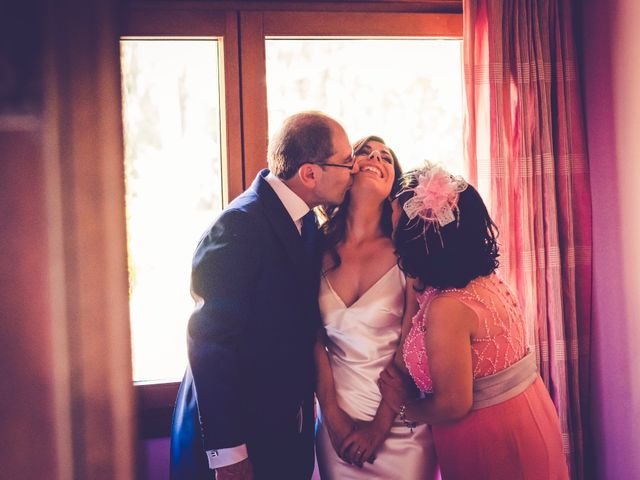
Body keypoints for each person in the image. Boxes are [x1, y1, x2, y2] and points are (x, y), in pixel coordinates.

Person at [170, 111, 358, 480]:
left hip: (283, 435)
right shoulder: (238, 226)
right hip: (238, 441)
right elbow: (210, 343)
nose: (352, 172)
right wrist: (228, 454)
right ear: (310, 173)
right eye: (346, 162)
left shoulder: (307, 223)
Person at [379, 162, 569, 479]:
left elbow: (453, 404)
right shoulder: (482, 278)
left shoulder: (447, 308)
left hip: (490, 439)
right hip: (528, 412)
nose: (390, 230)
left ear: (416, 242)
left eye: (394, 221)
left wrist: (402, 406)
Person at [314, 136, 438, 479]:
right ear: (346, 169)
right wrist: (331, 417)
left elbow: (412, 339)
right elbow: (311, 339)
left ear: (392, 183)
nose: (374, 158)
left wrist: (380, 425)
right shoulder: (316, 246)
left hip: (401, 424)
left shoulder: (407, 250)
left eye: (385, 157)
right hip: (337, 422)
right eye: (365, 152)